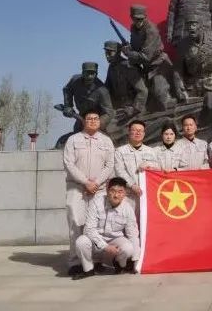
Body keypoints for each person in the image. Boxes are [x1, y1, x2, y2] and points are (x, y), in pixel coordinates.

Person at [63, 110, 115, 276]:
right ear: (84, 121)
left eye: (96, 118)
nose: (93, 121)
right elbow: (69, 164)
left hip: (99, 189)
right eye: (89, 119)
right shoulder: (73, 140)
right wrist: (86, 182)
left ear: (100, 121)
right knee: (76, 225)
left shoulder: (106, 141)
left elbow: (109, 165)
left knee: (97, 225)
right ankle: (75, 262)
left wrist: (96, 183)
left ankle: (97, 260)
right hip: (77, 188)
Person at [72, 177, 140, 280]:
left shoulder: (127, 209)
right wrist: (105, 247)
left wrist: (136, 264)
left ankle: (119, 265)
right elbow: (89, 229)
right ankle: (88, 269)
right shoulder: (96, 202)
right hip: (96, 240)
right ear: (107, 190)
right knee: (81, 242)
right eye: (113, 191)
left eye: (120, 192)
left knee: (128, 248)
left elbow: (133, 235)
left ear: (125, 193)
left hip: (115, 240)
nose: (116, 195)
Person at [122, 4, 186, 109]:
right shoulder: (133, 28)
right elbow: (136, 49)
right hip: (147, 68)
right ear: (131, 17)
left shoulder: (151, 30)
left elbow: (146, 57)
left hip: (160, 65)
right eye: (136, 19)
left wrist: (130, 54)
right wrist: (129, 49)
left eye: (141, 19)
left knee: (161, 97)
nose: (139, 22)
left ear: (145, 17)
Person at [173, 15, 212, 125]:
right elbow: (178, 69)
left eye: (194, 24)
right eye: (188, 25)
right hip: (193, 85)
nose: (191, 28)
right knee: (183, 115)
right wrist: (180, 89)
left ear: (201, 26)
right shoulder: (183, 44)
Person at [114, 120, 155, 214]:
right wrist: (132, 185)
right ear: (129, 132)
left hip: (147, 195)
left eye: (140, 131)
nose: (137, 133)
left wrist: (150, 165)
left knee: (145, 221)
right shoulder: (120, 151)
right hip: (128, 195)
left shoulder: (151, 151)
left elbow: (158, 168)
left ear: (144, 133)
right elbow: (119, 171)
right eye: (134, 130)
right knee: (127, 220)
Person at [62, 62, 115, 132]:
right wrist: (68, 105)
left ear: (96, 74)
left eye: (92, 73)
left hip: (97, 118)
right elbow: (67, 89)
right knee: (76, 133)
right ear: (82, 73)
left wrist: (96, 124)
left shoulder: (102, 90)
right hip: (82, 115)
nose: (89, 76)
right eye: (87, 73)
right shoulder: (75, 80)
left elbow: (109, 112)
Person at [103, 40, 148, 120]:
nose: (107, 56)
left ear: (118, 53)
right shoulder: (112, 67)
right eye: (106, 53)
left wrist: (134, 109)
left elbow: (143, 91)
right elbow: (107, 89)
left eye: (109, 53)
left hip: (134, 108)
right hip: (120, 107)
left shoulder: (127, 66)